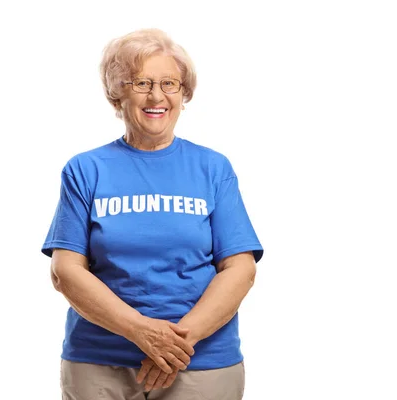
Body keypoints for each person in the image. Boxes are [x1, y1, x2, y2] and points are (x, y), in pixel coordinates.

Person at [41, 28, 264, 400]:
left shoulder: (213, 168)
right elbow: (66, 271)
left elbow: (240, 269)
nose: (157, 96)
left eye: (169, 84)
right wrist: (140, 331)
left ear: (184, 92)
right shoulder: (85, 169)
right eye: (142, 82)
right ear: (118, 93)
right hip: (99, 363)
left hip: (201, 362)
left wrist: (176, 344)